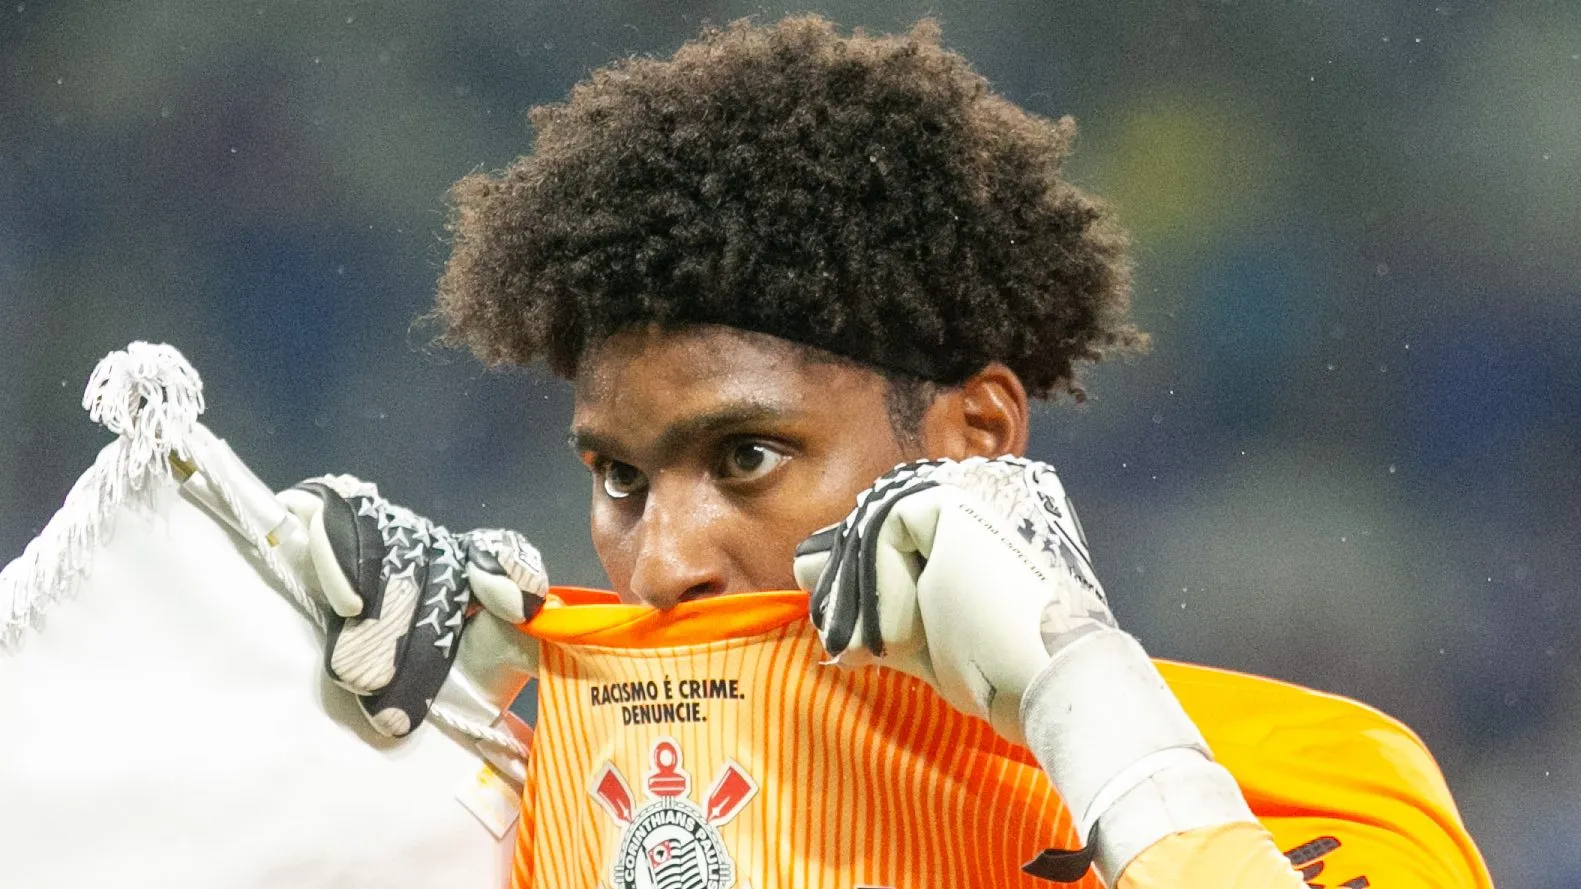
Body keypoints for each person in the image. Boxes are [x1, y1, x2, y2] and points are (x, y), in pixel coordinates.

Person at [283, 15, 1493, 888]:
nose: (659, 564)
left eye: (747, 455)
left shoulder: (1314, 780)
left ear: (978, 440)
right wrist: (370, 785)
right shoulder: (548, 812)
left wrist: (1080, 691)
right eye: (621, 479)